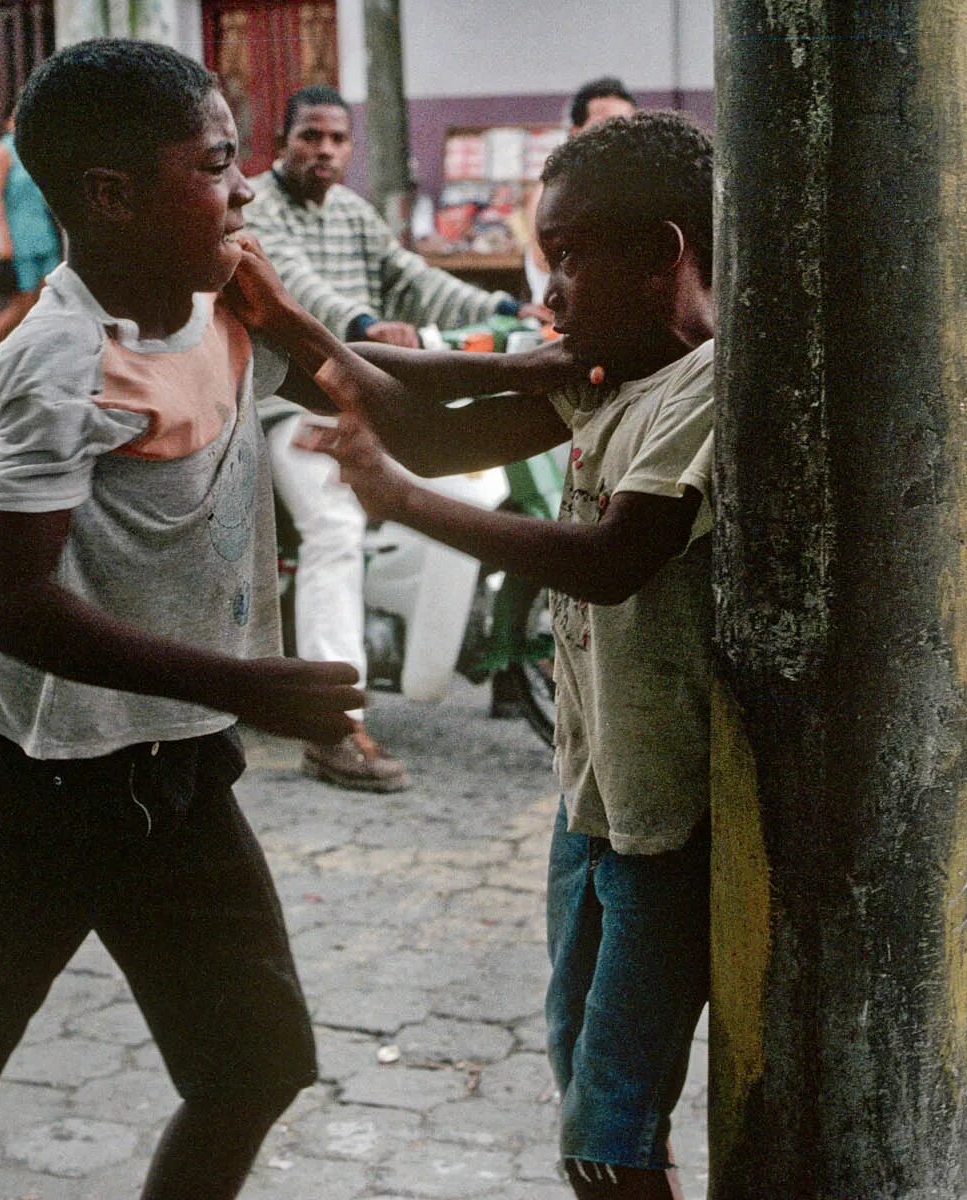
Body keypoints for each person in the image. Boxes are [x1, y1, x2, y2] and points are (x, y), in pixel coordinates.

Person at [0, 40, 365, 1200]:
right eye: (214, 163)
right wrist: (246, 686)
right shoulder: (55, 357)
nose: (245, 184)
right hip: (26, 797)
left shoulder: (221, 313)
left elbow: (393, 402)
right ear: (111, 197)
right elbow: (11, 606)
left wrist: (563, 367)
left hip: (174, 780)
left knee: (249, 1072)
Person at [241, 111, 716, 1199]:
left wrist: (401, 501)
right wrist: (284, 325)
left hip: (666, 824)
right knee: (593, 1092)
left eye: (566, 261)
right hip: (591, 800)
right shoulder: (614, 364)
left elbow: (609, 559)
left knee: (608, 1131)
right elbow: (435, 421)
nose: (548, 291)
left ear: (662, 257)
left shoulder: (704, 389)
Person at [244, 83, 542, 792]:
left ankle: (490, 657)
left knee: (473, 481)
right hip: (292, 404)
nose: (324, 150)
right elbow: (300, 290)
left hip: (365, 395)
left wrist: (508, 306)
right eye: (309, 136)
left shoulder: (353, 212)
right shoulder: (258, 205)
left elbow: (412, 276)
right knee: (335, 527)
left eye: (337, 139)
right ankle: (332, 725)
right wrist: (363, 328)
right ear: (282, 141)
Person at [523, 76, 638, 305]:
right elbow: (555, 264)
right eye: (604, 125)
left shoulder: (629, 189)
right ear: (576, 132)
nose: (618, 136)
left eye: (627, 125)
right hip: (565, 323)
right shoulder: (553, 192)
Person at [0, 114, 62, 357]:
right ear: (7, 121)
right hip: (18, 238)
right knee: (22, 303)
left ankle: (34, 354)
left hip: (43, 234)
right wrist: (3, 238)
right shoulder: (3, 151)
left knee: (49, 297)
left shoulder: (37, 151)